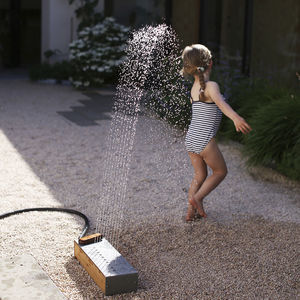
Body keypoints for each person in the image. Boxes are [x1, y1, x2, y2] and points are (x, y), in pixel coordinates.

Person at [181, 44, 252, 222]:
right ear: (210, 63)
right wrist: (236, 118)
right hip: (204, 140)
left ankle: (191, 212)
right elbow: (222, 105)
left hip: (191, 139)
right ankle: (197, 198)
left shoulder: (195, 87)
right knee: (220, 172)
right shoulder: (211, 86)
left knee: (199, 176)